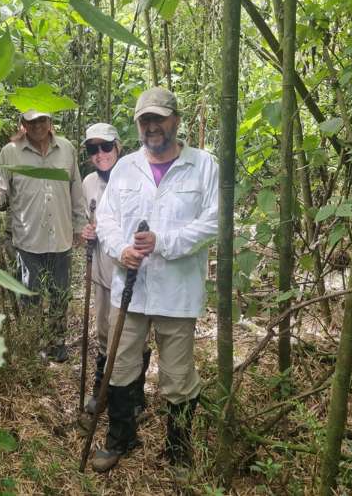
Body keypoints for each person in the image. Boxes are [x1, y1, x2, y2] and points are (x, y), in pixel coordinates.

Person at [92, 87, 219, 472]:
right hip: (129, 288)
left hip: (178, 292)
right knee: (119, 365)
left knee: (178, 377)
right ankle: (121, 439)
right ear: (137, 124)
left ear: (175, 120)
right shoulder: (126, 167)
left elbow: (213, 224)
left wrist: (163, 243)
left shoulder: (203, 165)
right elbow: (108, 220)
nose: (152, 127)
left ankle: (179, 451)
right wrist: (120, 250)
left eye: (159, 118)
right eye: (145, 120)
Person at [0, 109, 85, 362]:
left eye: (42, 120)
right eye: (31, 121)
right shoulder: (11, 152)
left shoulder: (66, 149)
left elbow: (76, 187)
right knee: (30, 295)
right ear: (23, 124)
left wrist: (79, 224)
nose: (37, 125)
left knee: (60, 293)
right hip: (28, 239)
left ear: (50, 122)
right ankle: (35, 343)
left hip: (60, 236)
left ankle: (57, 341)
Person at [81, 123, 151, 416]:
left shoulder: (138, 177)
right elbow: (89, 222)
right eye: (93, 149)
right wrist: (87, 232)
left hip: (134, 276)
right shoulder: (87, 183)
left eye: (106, 146)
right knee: (104, 334)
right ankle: (103, 389)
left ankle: (134, 394)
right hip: (102, 273)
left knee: (131, 340)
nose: (100, 154)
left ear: (118, 147)